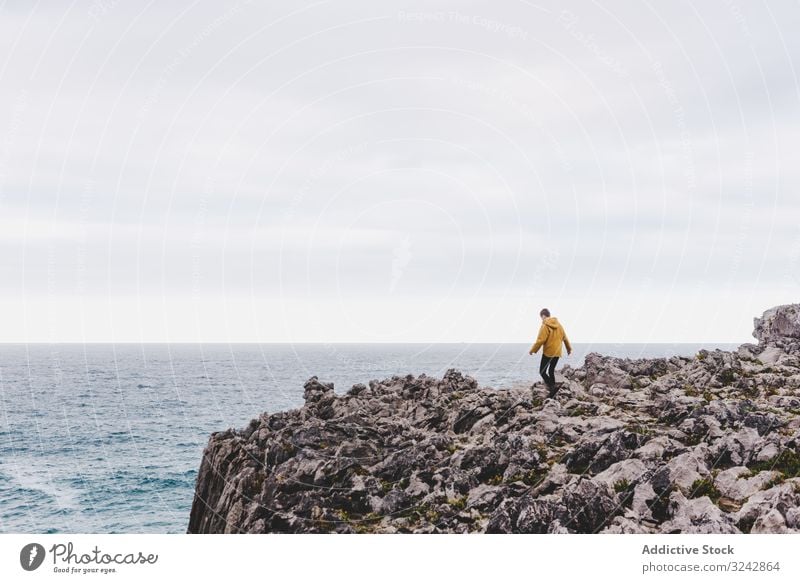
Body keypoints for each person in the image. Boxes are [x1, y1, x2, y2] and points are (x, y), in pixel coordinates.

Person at [529, 308, 572, 398]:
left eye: (541, 317)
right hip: (557, 352)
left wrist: (533, 350)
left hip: (548, 351)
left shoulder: (545, 325)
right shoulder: (559, 325)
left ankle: (552, 388)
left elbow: (541, 340)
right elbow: (565, 338)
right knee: (551, 370)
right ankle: (553, 390)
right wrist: (568, 349)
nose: (542, 319)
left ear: (543, 316)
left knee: (542, 371)